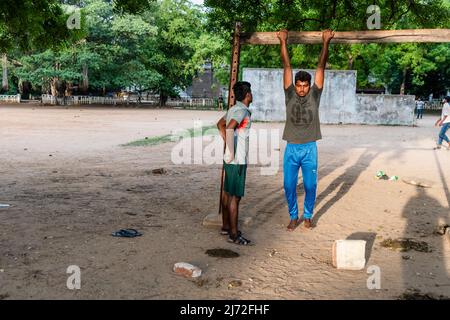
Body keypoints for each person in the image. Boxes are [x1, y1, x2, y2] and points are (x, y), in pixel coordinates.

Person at [277, 28, 334, 231]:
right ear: (294, 85)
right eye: (298, 85)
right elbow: (287, 65)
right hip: (291, 148)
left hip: (310, 148)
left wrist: (325, 42)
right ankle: (294, 215)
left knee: (310, 185)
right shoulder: (289, 94)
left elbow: (321, 67)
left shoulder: (315, 95)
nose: (301, 89)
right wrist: (283, 41)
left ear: (310, 86)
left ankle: (308, 215)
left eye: (304, 85)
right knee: (289, 186)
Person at [216, 81, 252, 245]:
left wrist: (228, 148)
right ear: (247, 95)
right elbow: (229, 128)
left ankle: (225, 226)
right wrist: (231, 150)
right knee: (235, 198)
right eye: (250, 92)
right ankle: (234, 234)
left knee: (227, 193)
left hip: (230, 158)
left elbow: (220, 124)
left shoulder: (233, 109)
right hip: (237, 160)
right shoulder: (243, 111)